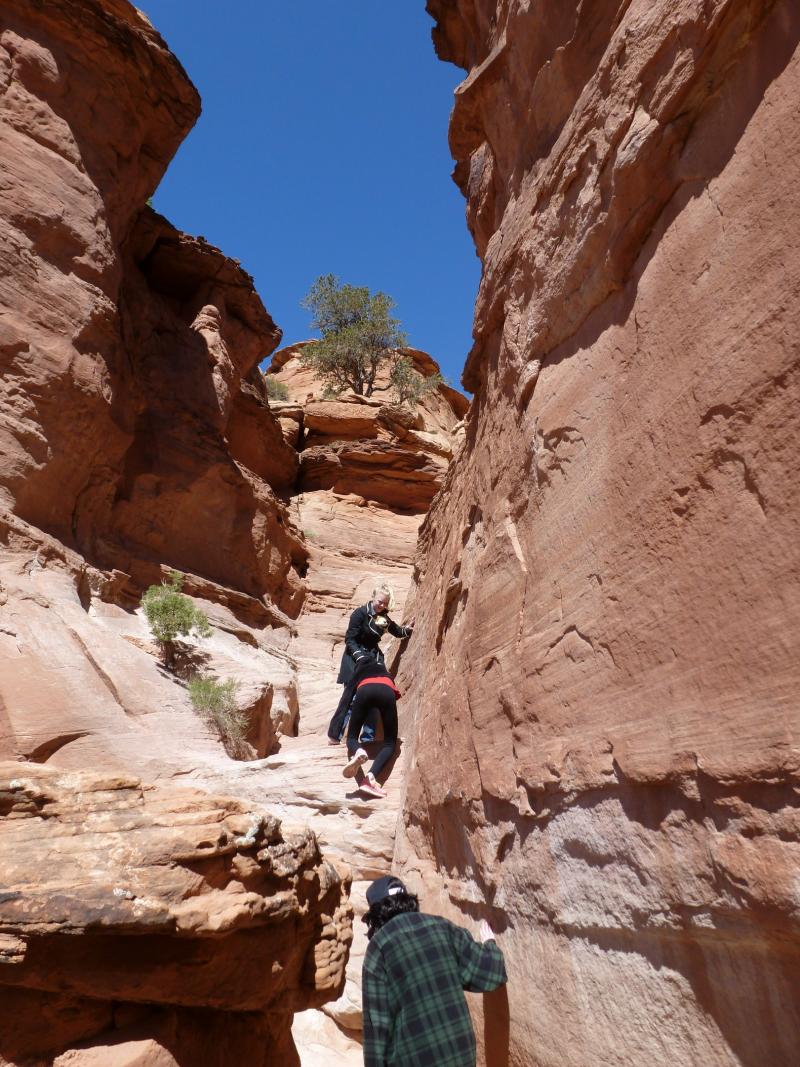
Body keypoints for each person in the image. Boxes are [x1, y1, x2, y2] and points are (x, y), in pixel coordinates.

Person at [361, 876, 507, 1067]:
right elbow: (490, 972)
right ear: (407, 900)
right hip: (461, 1055)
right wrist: (490, 944)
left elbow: (377, 1034)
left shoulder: (377, 950)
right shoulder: (443, 927)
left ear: (375, 914)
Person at [327, 583, 413, 745]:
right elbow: (350, 639)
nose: (382, 605)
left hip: (372, 659)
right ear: (373, 597)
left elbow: (396, 631)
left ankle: (368, 739)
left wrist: (407, 630)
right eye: (380, 601)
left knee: (373, 695)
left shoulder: (382, 618)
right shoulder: (359, 614)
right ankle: (335, 735)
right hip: (355, 658)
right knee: (351, 698)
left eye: (385, 603)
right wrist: (359, 656)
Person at [341, 657, 401, 799]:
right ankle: (371, 777)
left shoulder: (361, 670)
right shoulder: (384, 670)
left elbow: (346, 697)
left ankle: (359, 750)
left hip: (364, 688)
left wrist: (333, 734)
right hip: (386, 688)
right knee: (389, 743)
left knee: (351, 738)